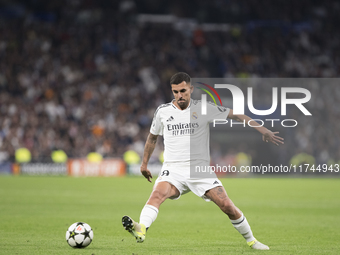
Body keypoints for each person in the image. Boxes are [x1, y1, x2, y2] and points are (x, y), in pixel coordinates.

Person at [122, 72, 284, 250]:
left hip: (199, 171)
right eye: (175, 92)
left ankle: (252, 240)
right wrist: (144, 164)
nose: (179, 95)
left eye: (183, 91)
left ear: (191, 89)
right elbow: (152, 138)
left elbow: (236, 115)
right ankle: (141, 228)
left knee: (226, 205)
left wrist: (263, 130)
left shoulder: (204, 109)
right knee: (157, 195)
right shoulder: (163, 111)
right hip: (172, 169)